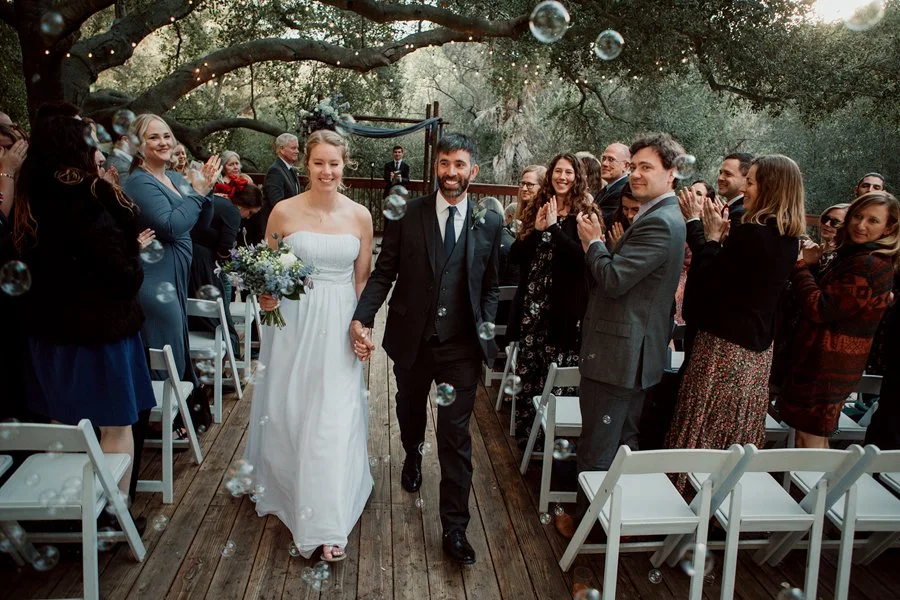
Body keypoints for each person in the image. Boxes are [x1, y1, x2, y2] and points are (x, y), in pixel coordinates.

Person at [350, 133, 502, 566]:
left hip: (461, 348)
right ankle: (412, 454)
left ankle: (455, 528)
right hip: (412, 339)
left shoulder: (489, 221)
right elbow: (384, 272)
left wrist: (484, 328)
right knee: (409, 409)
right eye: (444, 164)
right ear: (435, 167)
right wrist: (363, 316)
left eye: (459, 164)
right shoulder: (409, 214)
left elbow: (491, 286)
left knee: (455, 436)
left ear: (473, 170)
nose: (451, 172)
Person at [245, 129, 374, 562]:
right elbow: (266, 270)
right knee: (292, 407)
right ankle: (288, 487)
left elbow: (362, 282)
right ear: (307, 165)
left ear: (344, 165)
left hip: (339, 322)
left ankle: (326, 523)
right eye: (319, 162)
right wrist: (266, 295)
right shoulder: (282, 212)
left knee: (333, 414)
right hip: (294, 322)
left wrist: (362, 327)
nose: (326, 171)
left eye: (333, 163)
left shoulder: (360, 216)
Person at [12, 115, 156, 494]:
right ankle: (112, 514)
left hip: (48, 334)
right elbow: (122, 275)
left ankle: (68, 510)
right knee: (115, 426)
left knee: (63, 425)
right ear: (76, 147)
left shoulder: (27, 193)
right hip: (101, 333)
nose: (99, 151)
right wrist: (132, 252)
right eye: (91, 142)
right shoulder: (90, 197)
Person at [554, 132, 686, 539]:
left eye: (647, 167)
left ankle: (587, 531)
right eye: (634, 166)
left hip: (619, 357)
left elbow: (612, 280)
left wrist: (593, 243)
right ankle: (614, 522)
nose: (636, 175)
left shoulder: (661, 221)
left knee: (598, 447)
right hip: (631, 355)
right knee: (622, 444)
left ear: (671, 173)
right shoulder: (659, 213)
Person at [665, 155, 805, 464]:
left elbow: (709, 280)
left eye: (751, 182)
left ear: (770, 188)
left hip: (725, 349)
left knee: (706, 422)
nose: (745, 189)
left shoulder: (752, 233)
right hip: (756, 354)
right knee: (735, 428)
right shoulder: (789, 238)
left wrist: (707, 234)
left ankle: (689, 484)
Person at [780, 191, 899, 448]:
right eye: (857, 216)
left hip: (826, 367)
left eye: (873, 220)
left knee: (808, 441)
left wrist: (800, 266)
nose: (861, 225)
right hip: (825, 365)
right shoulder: (859, 256)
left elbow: (819, 308)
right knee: (810, 439)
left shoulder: (869, 264)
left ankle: (814, 478)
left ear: (889, 228)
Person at [124, 114, 220, 401]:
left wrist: (207, 190)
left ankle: (175, 414)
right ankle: (161, 415)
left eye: (166, 136)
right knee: (166, 350)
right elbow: (169, 226)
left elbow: (200, 224)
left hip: (176, 278)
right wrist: (197, 195)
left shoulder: (175, 178)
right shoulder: (139, 183)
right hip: (155, 282)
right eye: (153, 137)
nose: (163, 142)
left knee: (177, 347)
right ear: (138, 145)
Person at [510, 153, 594, 448]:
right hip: (534, 305)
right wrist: (537, 230)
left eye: (569, 172)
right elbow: (516, 257)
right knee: (530, 368)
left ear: (577, 177)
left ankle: (552, 442)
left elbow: (582, 261)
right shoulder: (539, 206)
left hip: (565, 308)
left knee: (555, 372)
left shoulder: (586, 213)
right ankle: (528, 438)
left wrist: (555, 228)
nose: (562, 177)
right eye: (558, 171)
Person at [507, 165, 546, 340]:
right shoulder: (523, 214)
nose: (524, 188)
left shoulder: (543, 215)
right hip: (523, 282)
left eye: (530, 185)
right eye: (522, 183)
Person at [250, 133, 300, 244]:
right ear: (281, 149)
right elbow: (277, 202)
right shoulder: (275, 171)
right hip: (275, 228)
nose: (297, 151)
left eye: (297, 148)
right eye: (293, 148)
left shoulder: (290, 170)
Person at [594, 142, 631, 228]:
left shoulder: (623, 191)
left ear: (626, 166)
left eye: (611, 160)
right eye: (603, 158)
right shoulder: (606, 189)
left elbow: (599, 223)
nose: (604, 164)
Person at [816, 203, 850, 271]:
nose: (827, 224)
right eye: (825, 219)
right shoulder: (815, 249)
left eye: (835, 222)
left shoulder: (842, 258)